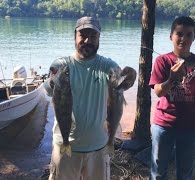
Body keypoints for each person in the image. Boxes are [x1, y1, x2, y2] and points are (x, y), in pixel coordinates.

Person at [43, 16, 122, 180]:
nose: (88, 40)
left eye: (93, 36)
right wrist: (52, 81)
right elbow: (49, 87)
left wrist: (125, 78)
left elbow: (119, 77)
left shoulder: (107, 66)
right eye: (83, 35)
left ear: (99, 38)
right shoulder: (62, 65)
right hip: (65, 146)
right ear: (75, 37)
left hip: (98, 148)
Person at [149, 16, 195, 179]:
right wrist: (171, 79)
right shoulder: (162, 61)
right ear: (171, 36)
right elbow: (158, 92)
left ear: (194, 37)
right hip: (164, 124)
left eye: (189, 34)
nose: (183, 39)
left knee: (185, 173)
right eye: (179, 33)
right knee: (158, 172)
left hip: (191, 125)